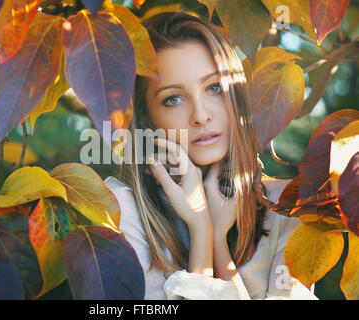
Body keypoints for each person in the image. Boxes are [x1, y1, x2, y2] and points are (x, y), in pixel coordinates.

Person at [103, 11, 317, 300]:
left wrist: (218, 242)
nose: (201, 116)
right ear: (145, 118)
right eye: (173, 99)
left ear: (237, 95)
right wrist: (201, 227)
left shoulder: (288, 207)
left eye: (214, 87)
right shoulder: (122, 210)